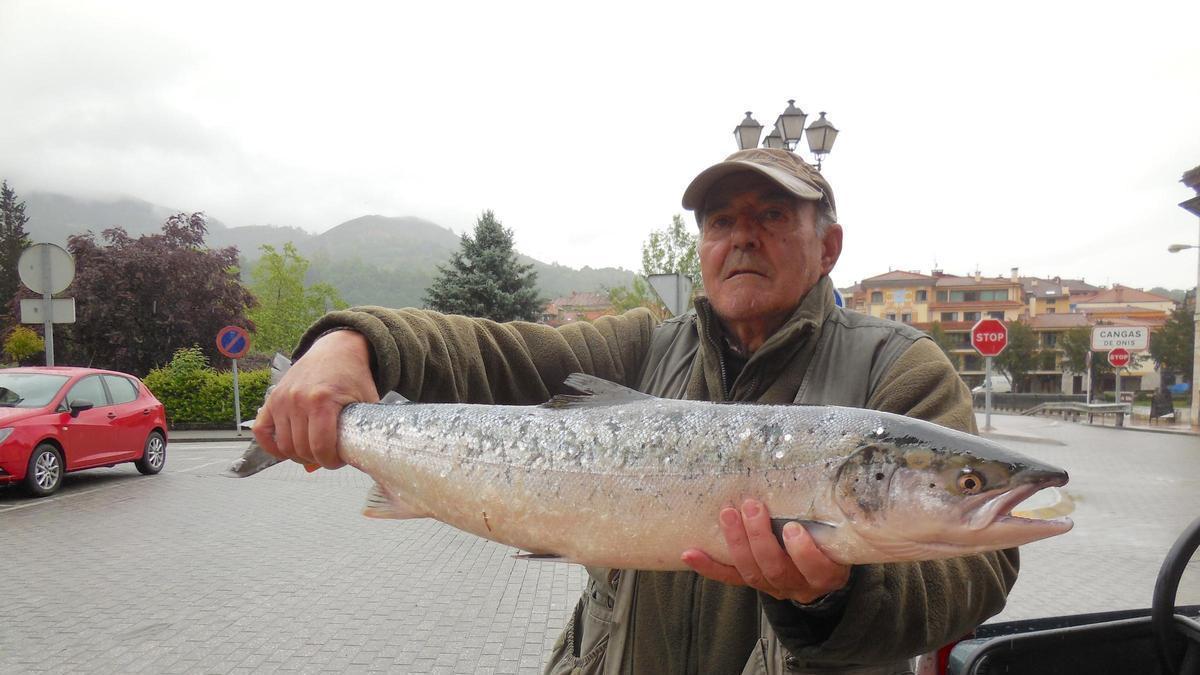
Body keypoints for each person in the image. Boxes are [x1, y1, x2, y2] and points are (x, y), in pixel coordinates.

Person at [254, 148, 1018, 674]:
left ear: (829, 246)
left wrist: (831, 596)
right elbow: (496, 352)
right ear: (702, 247)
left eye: (774, 215)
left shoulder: (899, 369)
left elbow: (980, 569)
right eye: (721, 221)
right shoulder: (642, 346)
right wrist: (353, 342)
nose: (742, 236)